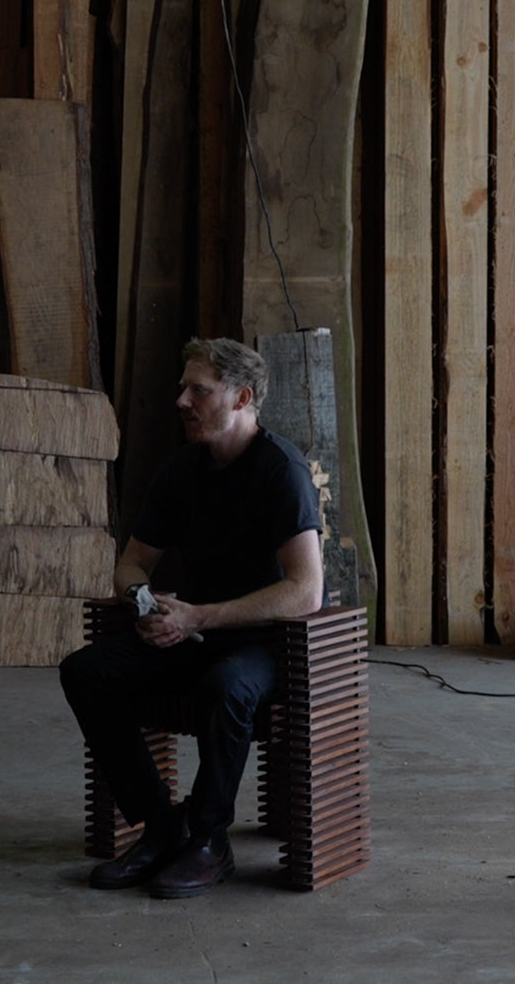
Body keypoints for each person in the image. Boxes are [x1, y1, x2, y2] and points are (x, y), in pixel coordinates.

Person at [59, 337, 324, 899]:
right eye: (184, 388)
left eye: (198, 391)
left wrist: (201, 614)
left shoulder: (282, 470)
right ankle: (161, 826)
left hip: (266, 647)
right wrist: (148, 607)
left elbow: (306, 591)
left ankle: (209, 840)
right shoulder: (182, 470)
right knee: (86, 670)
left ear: (242, 397)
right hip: (191, 632)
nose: (182, 400)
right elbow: (131, 562)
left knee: (224, 687)